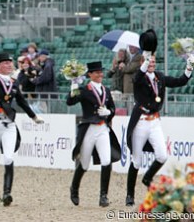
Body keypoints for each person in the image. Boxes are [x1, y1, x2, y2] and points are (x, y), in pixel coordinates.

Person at [0, 49, 44, 207]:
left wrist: (33, 116)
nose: (9, 65)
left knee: (9, 158)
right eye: (5, 63)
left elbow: (21, 102)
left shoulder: (14, 82)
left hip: (9, 125)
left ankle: (7, 193)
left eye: (10, 62)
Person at [125, 50, 193, 206]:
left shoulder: (160, 77)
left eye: (154, 62)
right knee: (136, 160)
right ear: (143, 62)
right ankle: (130, 195)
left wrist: (189, 67)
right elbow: (136, 78)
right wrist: (145, 62)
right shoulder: (139, 78)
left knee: (162, 155)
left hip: (154, 121)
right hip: (140, 121)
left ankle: (147, 177)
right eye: (149, 61)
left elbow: (179, 81)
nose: (152, 64)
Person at [66, 61, 120, 207]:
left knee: (106, 160)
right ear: (90, 74)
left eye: (101, 72)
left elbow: (112, 109)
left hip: (102, 129)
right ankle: (74, 188)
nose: (100, 74)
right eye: (96, 72)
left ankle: (103, 195)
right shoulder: (84, 90)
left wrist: (109, 113)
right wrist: (73, 85)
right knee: (84, 164)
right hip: (89, 128)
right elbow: (70, 101)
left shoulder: (106, 90)